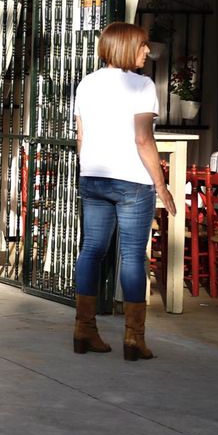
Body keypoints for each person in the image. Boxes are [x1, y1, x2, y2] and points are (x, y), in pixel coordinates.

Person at [71, 22, 174, 361]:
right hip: (132, 180)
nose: (148, 51)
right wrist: (161, 184)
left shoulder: (87, 83)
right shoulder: (142, 85)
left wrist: (90, 169)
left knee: (91, 251)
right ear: (127, 46)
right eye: (143, 45)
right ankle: (134, 339)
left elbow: (81, 137)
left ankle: (83, 330)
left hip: (94, 177)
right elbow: (143, 139)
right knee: (132, 256)